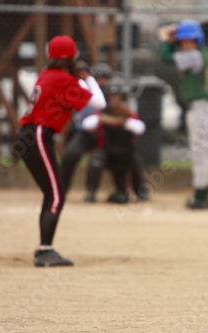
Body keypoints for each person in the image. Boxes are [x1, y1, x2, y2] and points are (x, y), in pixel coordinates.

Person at [14, 35, 109, 267]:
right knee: (56, 195)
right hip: (37, 135)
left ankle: (45, 249)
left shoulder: (49, 74)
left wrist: (76, 76)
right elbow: (99, 103)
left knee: (53, 193)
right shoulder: (62, 79)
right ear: (73, 58)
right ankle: (44, 251)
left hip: (31, 135)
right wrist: (87, 77)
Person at [158, 19, 208, 209]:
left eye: (189, 40)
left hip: (203, 108)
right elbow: (171, 54)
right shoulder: (193, 54)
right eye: (182, 41)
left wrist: (163, 38)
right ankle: (202, 195)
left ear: (197, 40)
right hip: (200, 108)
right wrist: (172, 37)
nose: (185, 44)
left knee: (201, 153)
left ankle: (201, 197)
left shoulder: (194, 56)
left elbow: (165, 57)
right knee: (201, 153)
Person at [82, 77, 149, 204]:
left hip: (125, 153)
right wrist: (103, 118)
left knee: (135, 161)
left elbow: (140, 129)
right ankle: (91, 193)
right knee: (96, 159)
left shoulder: (127, 113)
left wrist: (122, 120)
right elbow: (87, 125)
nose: (115, 98)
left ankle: (141, 193)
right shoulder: (103, 112)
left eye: (118, 95)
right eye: (112, 95)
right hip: (107, 152)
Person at [60, 62, 112, 202]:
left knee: (96, 160)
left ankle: (91, 192)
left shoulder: (114, 94)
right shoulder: (88, 92)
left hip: (105, 137)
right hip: (85, 134)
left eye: (105, 78)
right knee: (69, 155)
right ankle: (61, 191)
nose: (102, 82)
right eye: (99, 78)